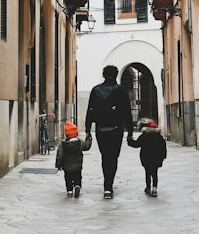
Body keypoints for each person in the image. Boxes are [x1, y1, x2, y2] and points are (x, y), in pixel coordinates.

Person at [85, 64, 134, 199]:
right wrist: (130, 132)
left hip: (101, 129)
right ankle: (109, 186)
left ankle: (107, 186)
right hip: (116, 129)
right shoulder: (121, 90)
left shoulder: (96, 90)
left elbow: (90, 111)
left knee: (105, 156)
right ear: (116, 75)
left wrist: (88, 130)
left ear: (103, 75)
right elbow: (127, 113)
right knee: (113, 157)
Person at [128, 118, 167, 196]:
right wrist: (163, 157)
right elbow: (163, 148)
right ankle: (154, 189)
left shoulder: (144, 136)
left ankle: (148, 188)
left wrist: (129, 140)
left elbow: (136, 144)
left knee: (148, 173)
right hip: (157, 158)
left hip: (146, 158)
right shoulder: (159, 137)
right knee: (155, 173)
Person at [55, 120, 90, 198]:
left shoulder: (63, 144)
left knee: (68, 178)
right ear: (76, 133)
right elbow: (86, 147)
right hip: (77, 166)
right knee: (78, 176)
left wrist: (58, 165)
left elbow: (59, 155)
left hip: (67, 167)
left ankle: (69, 190)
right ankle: (77, 185)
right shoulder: (80, 142)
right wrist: (88, 139)